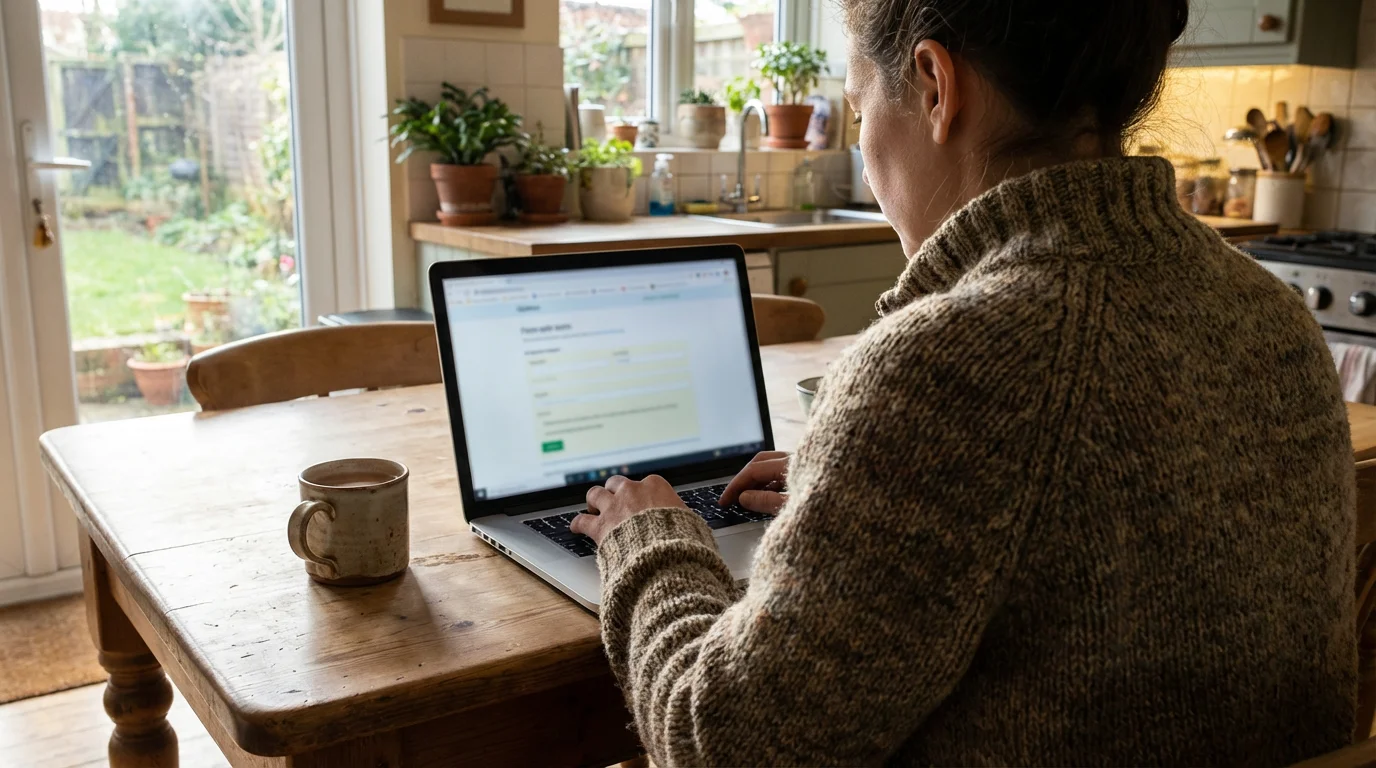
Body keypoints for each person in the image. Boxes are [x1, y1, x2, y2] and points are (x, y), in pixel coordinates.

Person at [569, 1, 1357, 764]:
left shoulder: (947, 366)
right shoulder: (1273, 316)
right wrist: (854, 487)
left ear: (935, 86)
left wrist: (651, 538)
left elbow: (722, 745)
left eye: (858, 109)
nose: (865, 151)